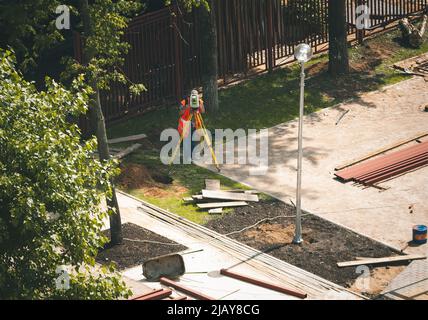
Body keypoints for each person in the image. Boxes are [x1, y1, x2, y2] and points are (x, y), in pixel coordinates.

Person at [177, 89, 205, 163]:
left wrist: (199, 104)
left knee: (193, 140)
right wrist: (188, 106)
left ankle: (192, 156)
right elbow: (180, 112)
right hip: (185, 124)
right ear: (190, 95)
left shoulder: (199, 101)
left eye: (196, 95)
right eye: (193, 95)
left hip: (195, 123)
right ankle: (187, 157)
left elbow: (203, 111)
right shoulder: (185, 101)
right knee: (186, 140)